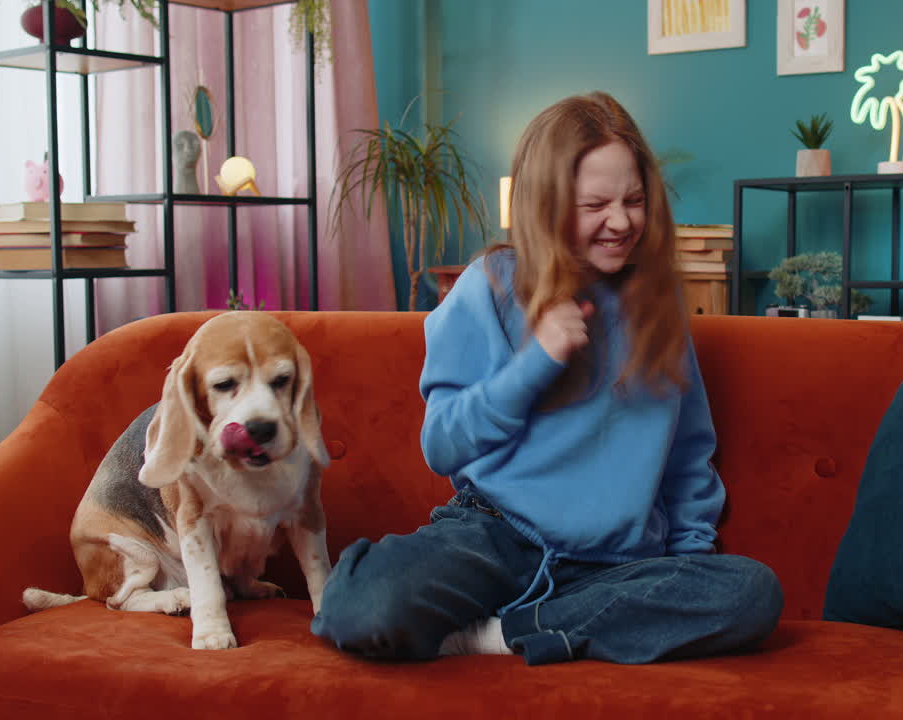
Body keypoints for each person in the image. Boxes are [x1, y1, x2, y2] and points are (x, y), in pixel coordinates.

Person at [310, 91, 782, 665]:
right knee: (359, 606)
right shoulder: (490, 285)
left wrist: (687, 566)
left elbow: (687, 459)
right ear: (547, 204)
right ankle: (547, 628)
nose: (622, 221)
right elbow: (441, 445)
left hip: (618, 567)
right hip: (496, 539)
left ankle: (505, 634)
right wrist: (534, 365)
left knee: (751, 592)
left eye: (634, 200)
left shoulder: (657, 306)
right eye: (595, 205)